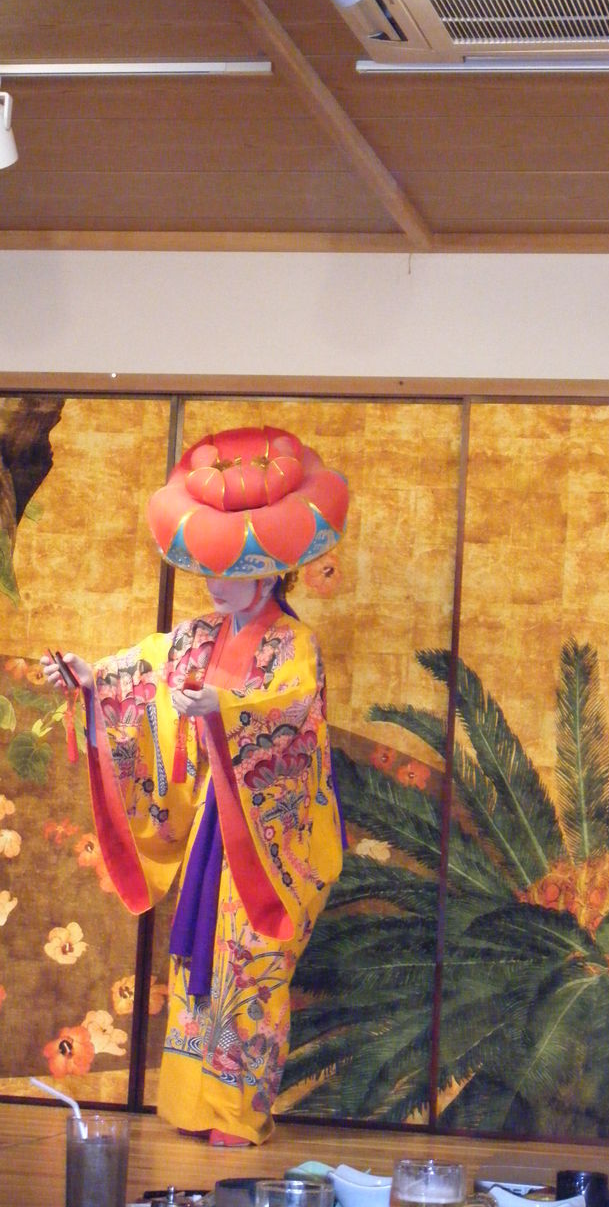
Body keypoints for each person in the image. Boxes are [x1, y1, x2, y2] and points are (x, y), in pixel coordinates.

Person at [42, 426, 349, 1147]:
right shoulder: (199, 637)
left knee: (252, 966)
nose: (213, 583)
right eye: (209, 569)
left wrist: (229, 709)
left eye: (227, 570)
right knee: (201, 957)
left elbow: (293, 714)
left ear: (268, 574)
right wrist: (90, 681)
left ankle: (239, 1111)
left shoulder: (294, 645)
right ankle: (193, 1104)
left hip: (265, 835)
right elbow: (141, 675)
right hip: (215, 820)